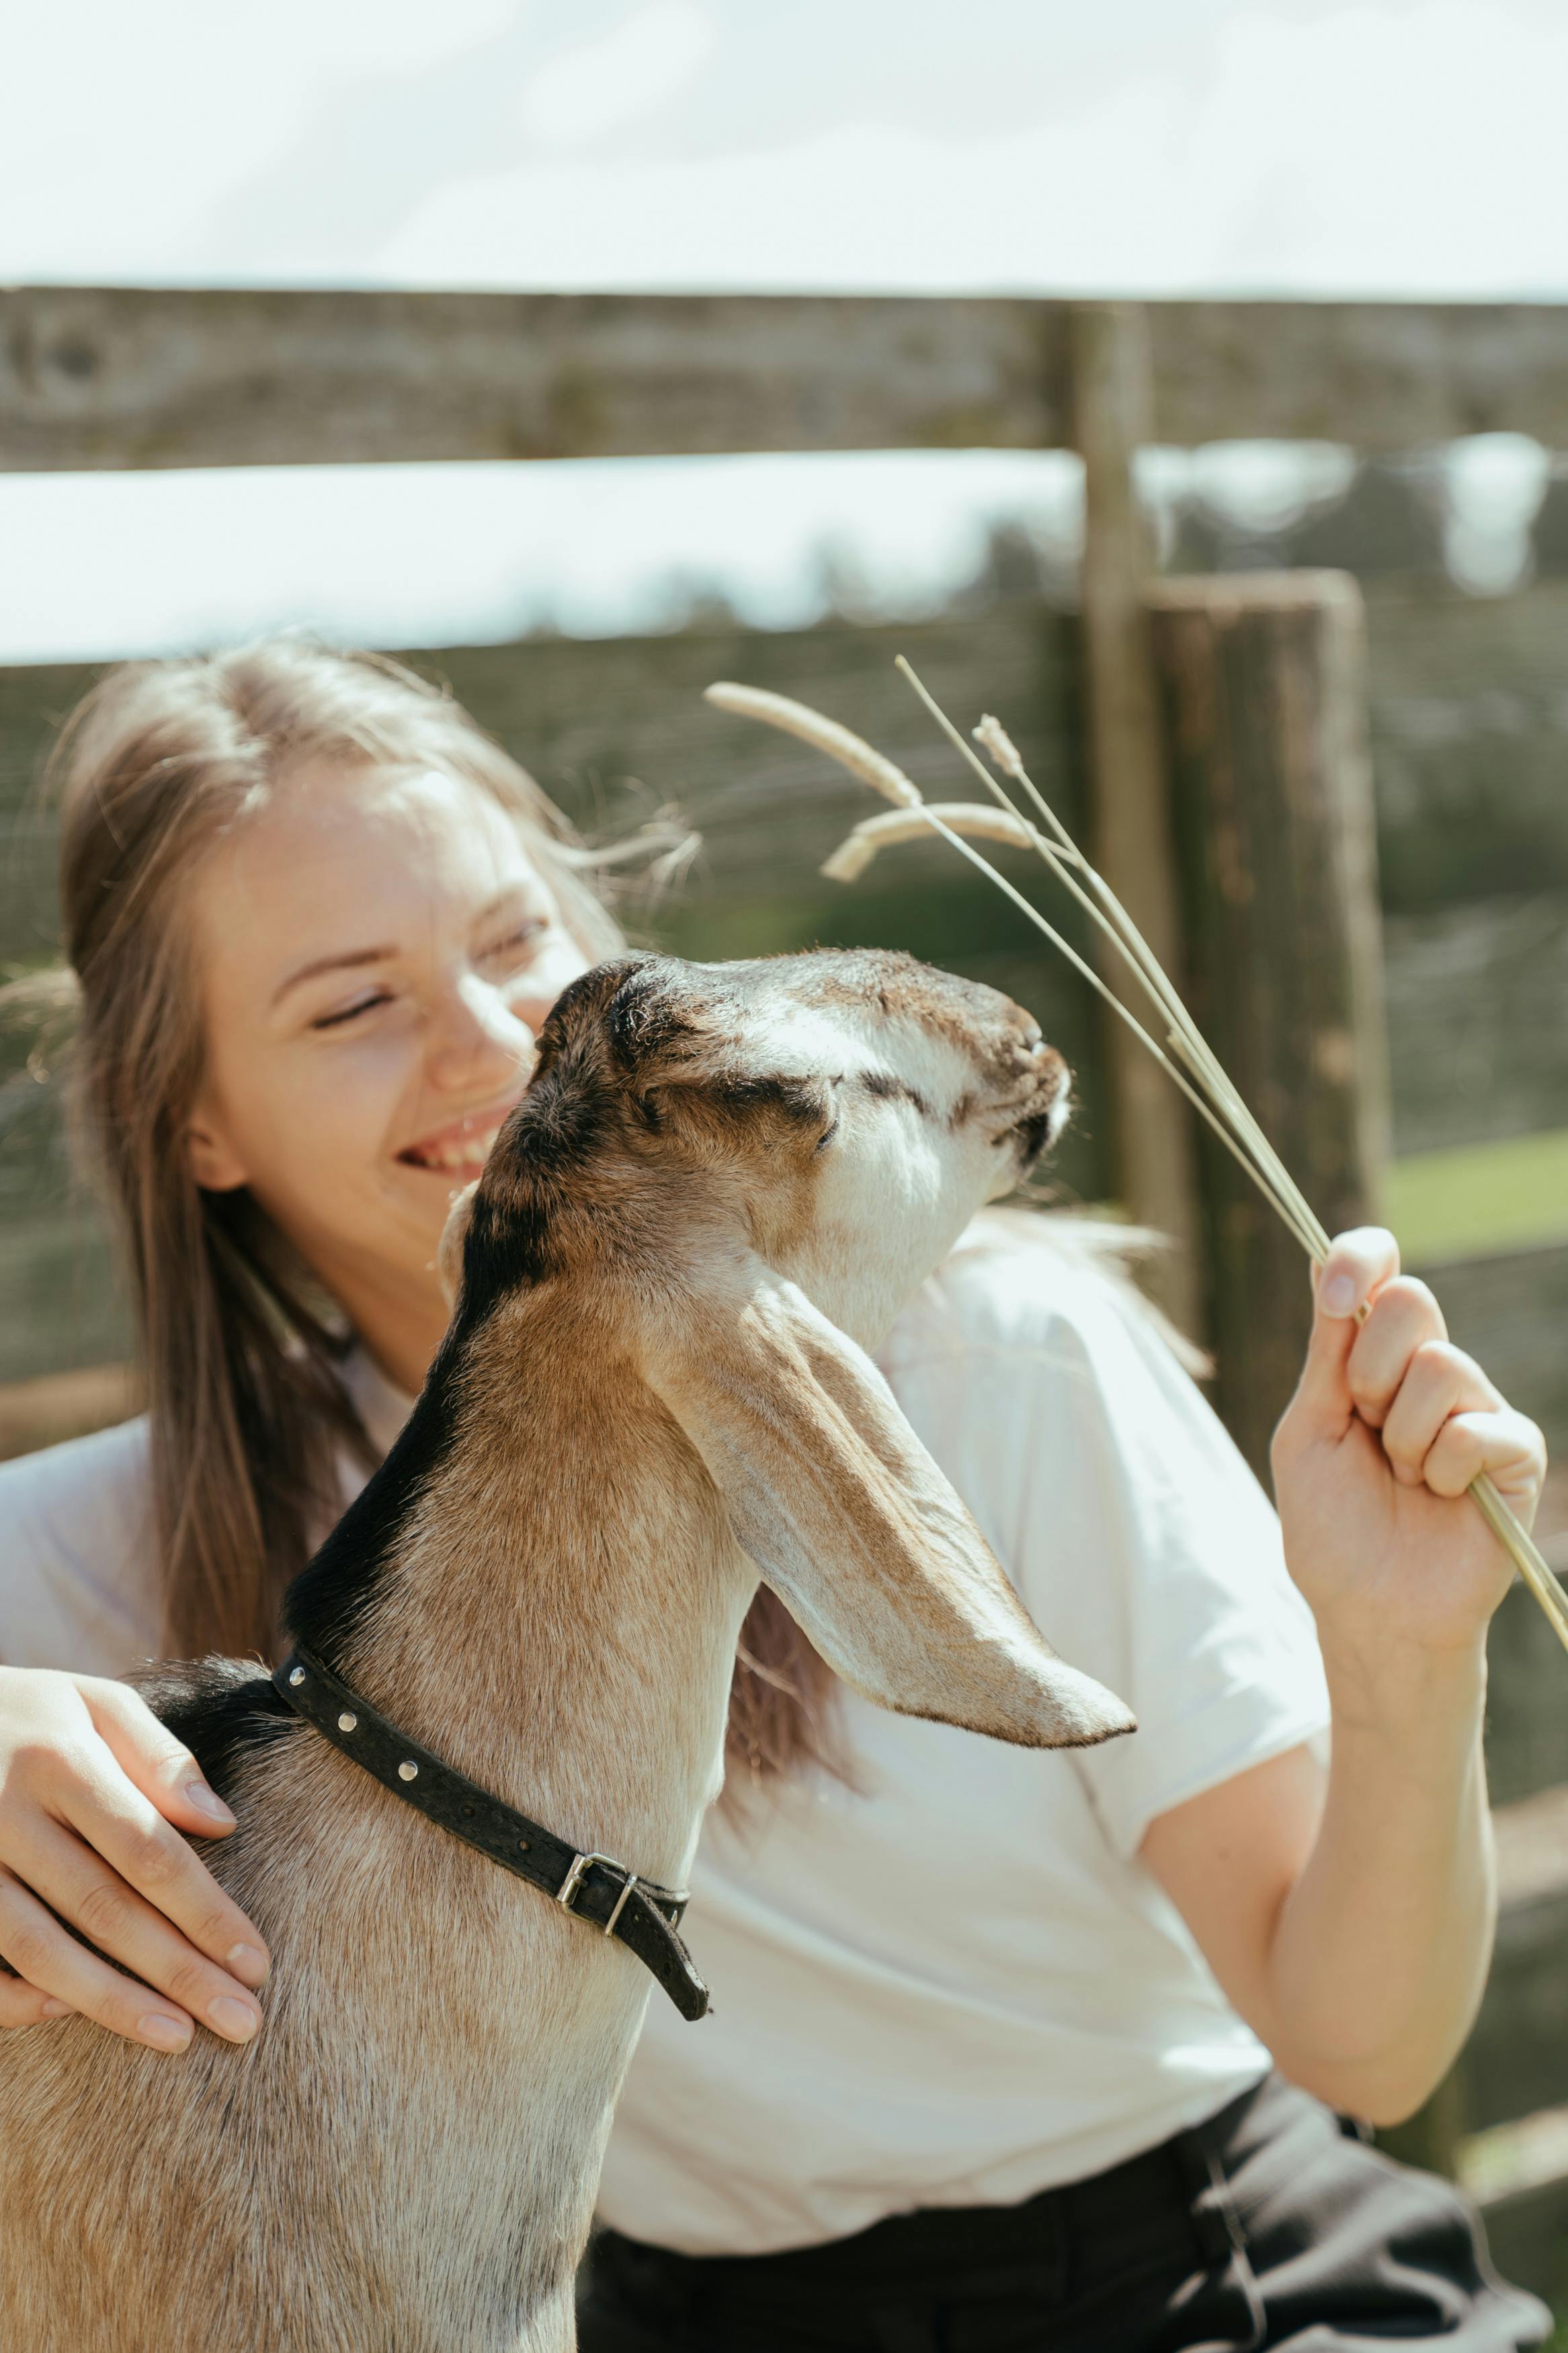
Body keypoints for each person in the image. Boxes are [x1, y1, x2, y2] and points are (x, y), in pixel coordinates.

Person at [0, 640, 1548, 2350]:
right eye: (352, 1003)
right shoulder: (121, 1546)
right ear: (196, 1120)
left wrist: (1404, 1659)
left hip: (1200, 2285)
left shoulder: (1002, 1363)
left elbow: (1370, 2043)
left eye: (515, 937)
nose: (488, 1038)